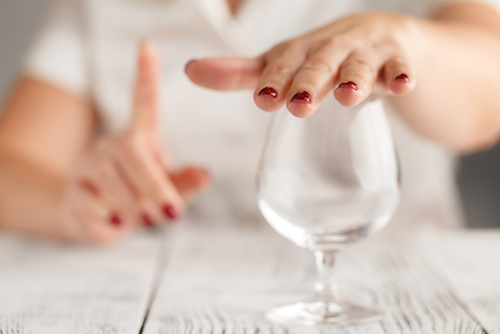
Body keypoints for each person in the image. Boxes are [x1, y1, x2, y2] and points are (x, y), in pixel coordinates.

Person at [0, 0, 500, 243]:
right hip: (181, 296)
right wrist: (76, 202)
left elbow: (488, 99)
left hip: (405, 283)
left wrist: (407, 44)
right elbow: (12, 163)